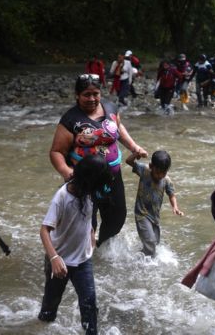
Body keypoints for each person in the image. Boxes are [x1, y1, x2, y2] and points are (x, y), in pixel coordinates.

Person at [49, 74, 148, 247]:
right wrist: (66, 172)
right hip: (85, 181)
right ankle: (87, 256)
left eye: (96, 94)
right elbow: (56, 152)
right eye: (87, 94)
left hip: (112, 177)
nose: (92, 99)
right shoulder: (70, 120)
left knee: (117, 217)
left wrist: (134, 147)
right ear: (77, 95)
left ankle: (102, 246)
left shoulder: (110, 108)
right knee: (87, 221)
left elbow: (119, 128)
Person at [38, 154, 112, 335]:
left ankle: (91, 332)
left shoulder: (88, 192)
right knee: (50, 305)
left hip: (82, 261)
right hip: (60, 262)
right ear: (89, 181)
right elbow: (44, 230)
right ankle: (41, 327)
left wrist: (91, 234)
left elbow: (87, 216)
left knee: (89, 303)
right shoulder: (62, 197)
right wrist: (54, 258)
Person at [126, 150, 183, 256]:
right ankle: (143, 266)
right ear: (151, 166)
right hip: (141, 214)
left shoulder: (166, 180)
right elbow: (128, 161)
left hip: (155, 217)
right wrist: (136, 154)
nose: (160, 176)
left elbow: (171, 195)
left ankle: (138, 257)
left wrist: (175, 207)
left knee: (155, 244)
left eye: (164, 173)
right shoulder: (144, 170)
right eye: (157, 172)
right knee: (150, 244)